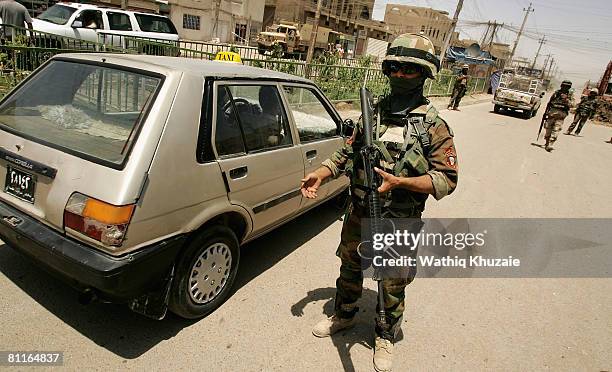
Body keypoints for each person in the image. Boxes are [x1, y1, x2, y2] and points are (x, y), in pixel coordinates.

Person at [301, 33, 458, 372]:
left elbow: (447, 178)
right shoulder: (371, 112)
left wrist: (401, 182)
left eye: (409, 70)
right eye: (395, 68)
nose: (400, 75)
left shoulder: (434, 125)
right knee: (351, 266)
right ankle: (344, 314)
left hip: (399, 219)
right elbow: (348, 150)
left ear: (425, 75)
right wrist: (322, 172)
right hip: (359, 212)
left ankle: (385, 335)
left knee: (391, 280)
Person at [542, 80, 573, 152]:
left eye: (567, 86)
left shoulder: (570, 96)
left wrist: (566, 99)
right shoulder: (556, 93)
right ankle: (547, 142)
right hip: (552, 114)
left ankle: (550, 144)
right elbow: (549, 104)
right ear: (561, 86)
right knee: (548, 129)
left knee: (556, 130)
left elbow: (573, 105)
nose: (565, 88)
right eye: (564, 86)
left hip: (561, 116)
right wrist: (545, 113)